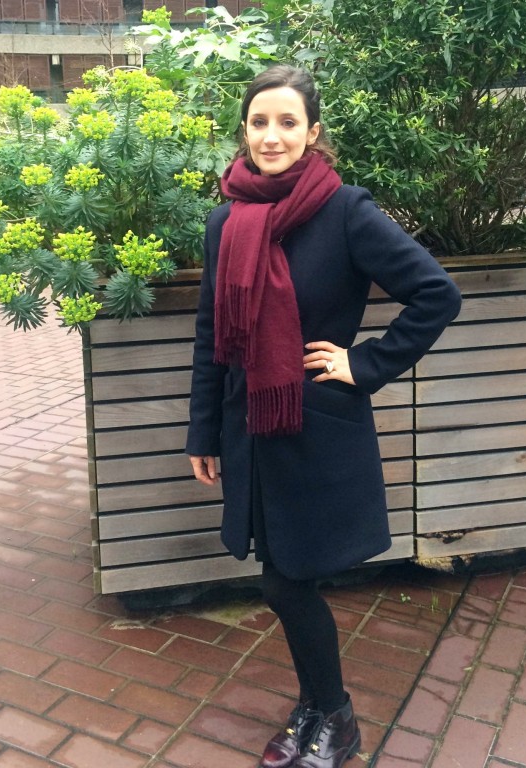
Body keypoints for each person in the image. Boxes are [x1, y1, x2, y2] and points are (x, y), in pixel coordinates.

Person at [185, 64, 462, 768]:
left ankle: (332, 714)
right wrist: (203, 430)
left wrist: (362, 364)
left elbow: (436, 294)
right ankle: (317, 710)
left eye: (287, 122)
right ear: (244, 131)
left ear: (312, 133)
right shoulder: (227, 221)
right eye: (259, 122)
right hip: (250, 429)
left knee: (288, 579)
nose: (271, 136)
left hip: (314, 429)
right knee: (284, 576)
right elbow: (212, 335)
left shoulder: (345, 212)